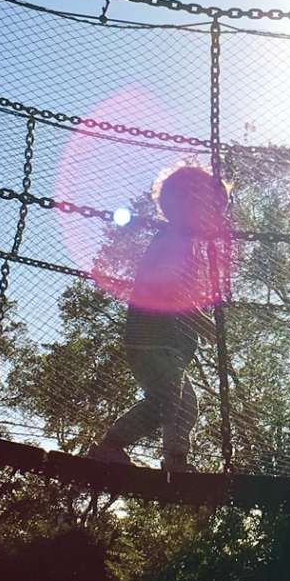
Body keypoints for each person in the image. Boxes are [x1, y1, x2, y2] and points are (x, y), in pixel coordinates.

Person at [88, 164, 230, 472]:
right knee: (165, 402)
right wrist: (202, 322)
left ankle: (175, 460)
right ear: (190, 205)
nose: (220, 217)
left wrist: (199, 319)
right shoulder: (174, 241)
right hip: (152, 340)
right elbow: (170, 290)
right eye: (215, 208)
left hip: (171, 348)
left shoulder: (188, 244)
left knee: (185, 407)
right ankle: (110, 446)